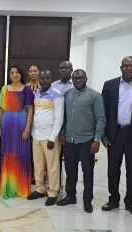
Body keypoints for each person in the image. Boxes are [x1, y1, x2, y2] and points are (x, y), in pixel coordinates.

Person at [101, 56, 132, 217]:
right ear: (121, 67)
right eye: (126, 66)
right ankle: (113, 199)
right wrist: (103, 134)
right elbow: (103, 112)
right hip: (114, 134)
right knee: (113, 169)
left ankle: (130, 202)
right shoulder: (109, 85)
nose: (129, 69)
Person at [56, 69, 106, 213]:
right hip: (70, 140)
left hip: (87, 141)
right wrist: (63, 133)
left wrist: (97, 139)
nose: (79, 80)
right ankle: (71, 196)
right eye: (76, 78)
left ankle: (87, 200)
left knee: (87, 171)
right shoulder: (68, 94)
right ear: (72, 79)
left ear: (86, 78)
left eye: (81, 78)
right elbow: (64, 117)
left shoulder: (95, 96)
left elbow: (101, 119)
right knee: (70, 171)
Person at [27, 70, 64, 206]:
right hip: (36, 135)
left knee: (52, 166)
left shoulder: (57, 95)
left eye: (47, 78)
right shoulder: (37, 93)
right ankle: (40, 189)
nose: (44, 80)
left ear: (51, 79)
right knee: (38, 164)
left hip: (49, 137)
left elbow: (59, 118)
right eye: (42, 78)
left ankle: (53, 192)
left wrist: (53, 138)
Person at [0, 65, 34, 199]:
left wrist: (27, 129)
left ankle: (20, 187)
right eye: (12, 73)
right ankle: (7, 187)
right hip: (7, 123)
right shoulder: (4, 89)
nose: (15, 75)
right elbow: (0, 110)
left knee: (21, 154)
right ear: (9, 76)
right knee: (7, 154)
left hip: (21, 122)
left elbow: (30, 111)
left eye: (17, 72)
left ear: (21, 74)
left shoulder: (27, 90)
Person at [51, 60, 74, 188]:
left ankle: (70, 188)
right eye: (61, 68)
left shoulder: (76, 85)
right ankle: (56, 185)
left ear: (71, 69)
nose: (64, 70)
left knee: (70, 160)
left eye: (67, 67)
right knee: (55, 159)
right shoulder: (53, 85)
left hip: (71, 126)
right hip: (55, 126)